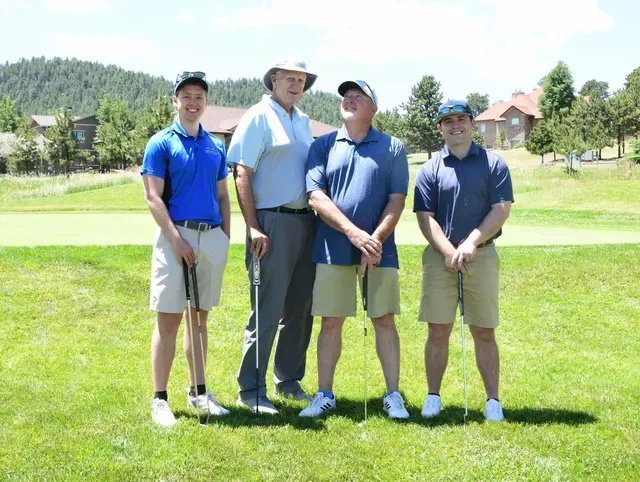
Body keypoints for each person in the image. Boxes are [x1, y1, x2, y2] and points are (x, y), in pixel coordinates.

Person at [301, 80, 410, 419]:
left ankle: (393, 396)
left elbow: (397, 200)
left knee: (384, 320)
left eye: (358, 97)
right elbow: (316, 196)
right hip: (333, 248)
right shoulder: (324, 145)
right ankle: (325, 394)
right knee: (330, 321)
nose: (348, 101)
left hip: (379, 251)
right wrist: (353, 234)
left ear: (373, 109)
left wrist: (373, 239)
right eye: (346, 97)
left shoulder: (393, 147)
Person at [413, 99, 514, 422]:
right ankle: (433, 396)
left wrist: (471, 242)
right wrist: (447, 251)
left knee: (484, 330)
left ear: (472, 124)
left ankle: (492, 401)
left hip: (481, 256)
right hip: (439, 259)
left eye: (461, 119)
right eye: (448, 121)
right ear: (439, 128)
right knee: (438, 329)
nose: (455, 125)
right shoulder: (429, 169)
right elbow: (425, 217)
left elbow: (501, 209)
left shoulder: (493, 164)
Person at [227, 60, 317, 414]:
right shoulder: (258, 116)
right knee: (266, 309)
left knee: (300, 309)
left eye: (301, 79)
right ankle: (250, 390)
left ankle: (288, 380)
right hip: (270, 223)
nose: (297, 84)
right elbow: (242, 172)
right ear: (273, 81)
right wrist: (252, 225)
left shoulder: (303, 120)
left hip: (304, 222)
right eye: (289, 78)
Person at [141, 71, 231, 426]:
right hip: (174, 236)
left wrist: (224, 236)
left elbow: (223, 195)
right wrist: (176, 239)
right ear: (175, 101)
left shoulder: (215, 145)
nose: (193, 102)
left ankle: (198, 393)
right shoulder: (161, 143)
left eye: (199, 96)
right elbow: (152, 196)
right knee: (169, 320)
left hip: (211, 238)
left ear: (206, 102)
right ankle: (160, 399)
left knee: (200, 320)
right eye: (186, 95)